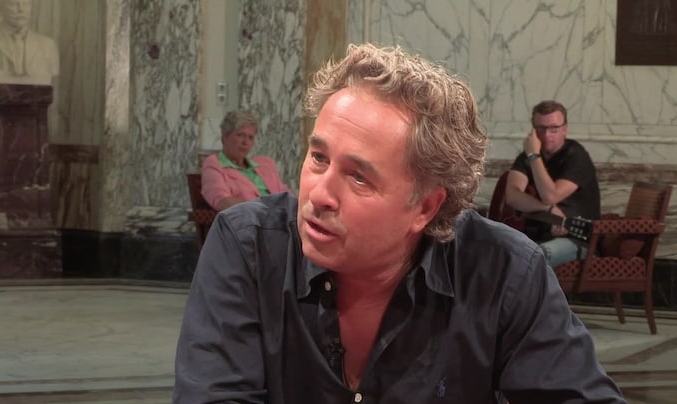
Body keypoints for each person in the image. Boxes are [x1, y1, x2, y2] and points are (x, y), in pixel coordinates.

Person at [174, 44, 625, 403]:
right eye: (318, 158)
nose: (319, 194)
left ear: (425, 208)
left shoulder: (504, 270)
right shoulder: (247, 247)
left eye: (358, 177)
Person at [504, 100, 601, 267]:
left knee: (537, 256)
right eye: (541, 129)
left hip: (577, 239)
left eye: (554, 129)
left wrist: (534, 156)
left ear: (565, 129)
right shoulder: (527, 155)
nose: (547, 135)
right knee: (501, 252)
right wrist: (548, 209)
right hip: (538, 235)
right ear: (533, 130)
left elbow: (550, 196)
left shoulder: (576, 155)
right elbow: (512, 196)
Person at [201, 110, 291, 211]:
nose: (245, 142)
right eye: (240, 135)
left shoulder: (266, 164)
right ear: (225, 135)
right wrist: (266, 210)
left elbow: (287, 196)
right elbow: (223, 202)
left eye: (250, 137)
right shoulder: (214, 164)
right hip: (251, 218)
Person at [0, 0, 59, 83]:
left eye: (26, 4)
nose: (21, 9)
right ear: (0, 8)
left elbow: (53, 87)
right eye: (13, 4)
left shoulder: (48, 46)